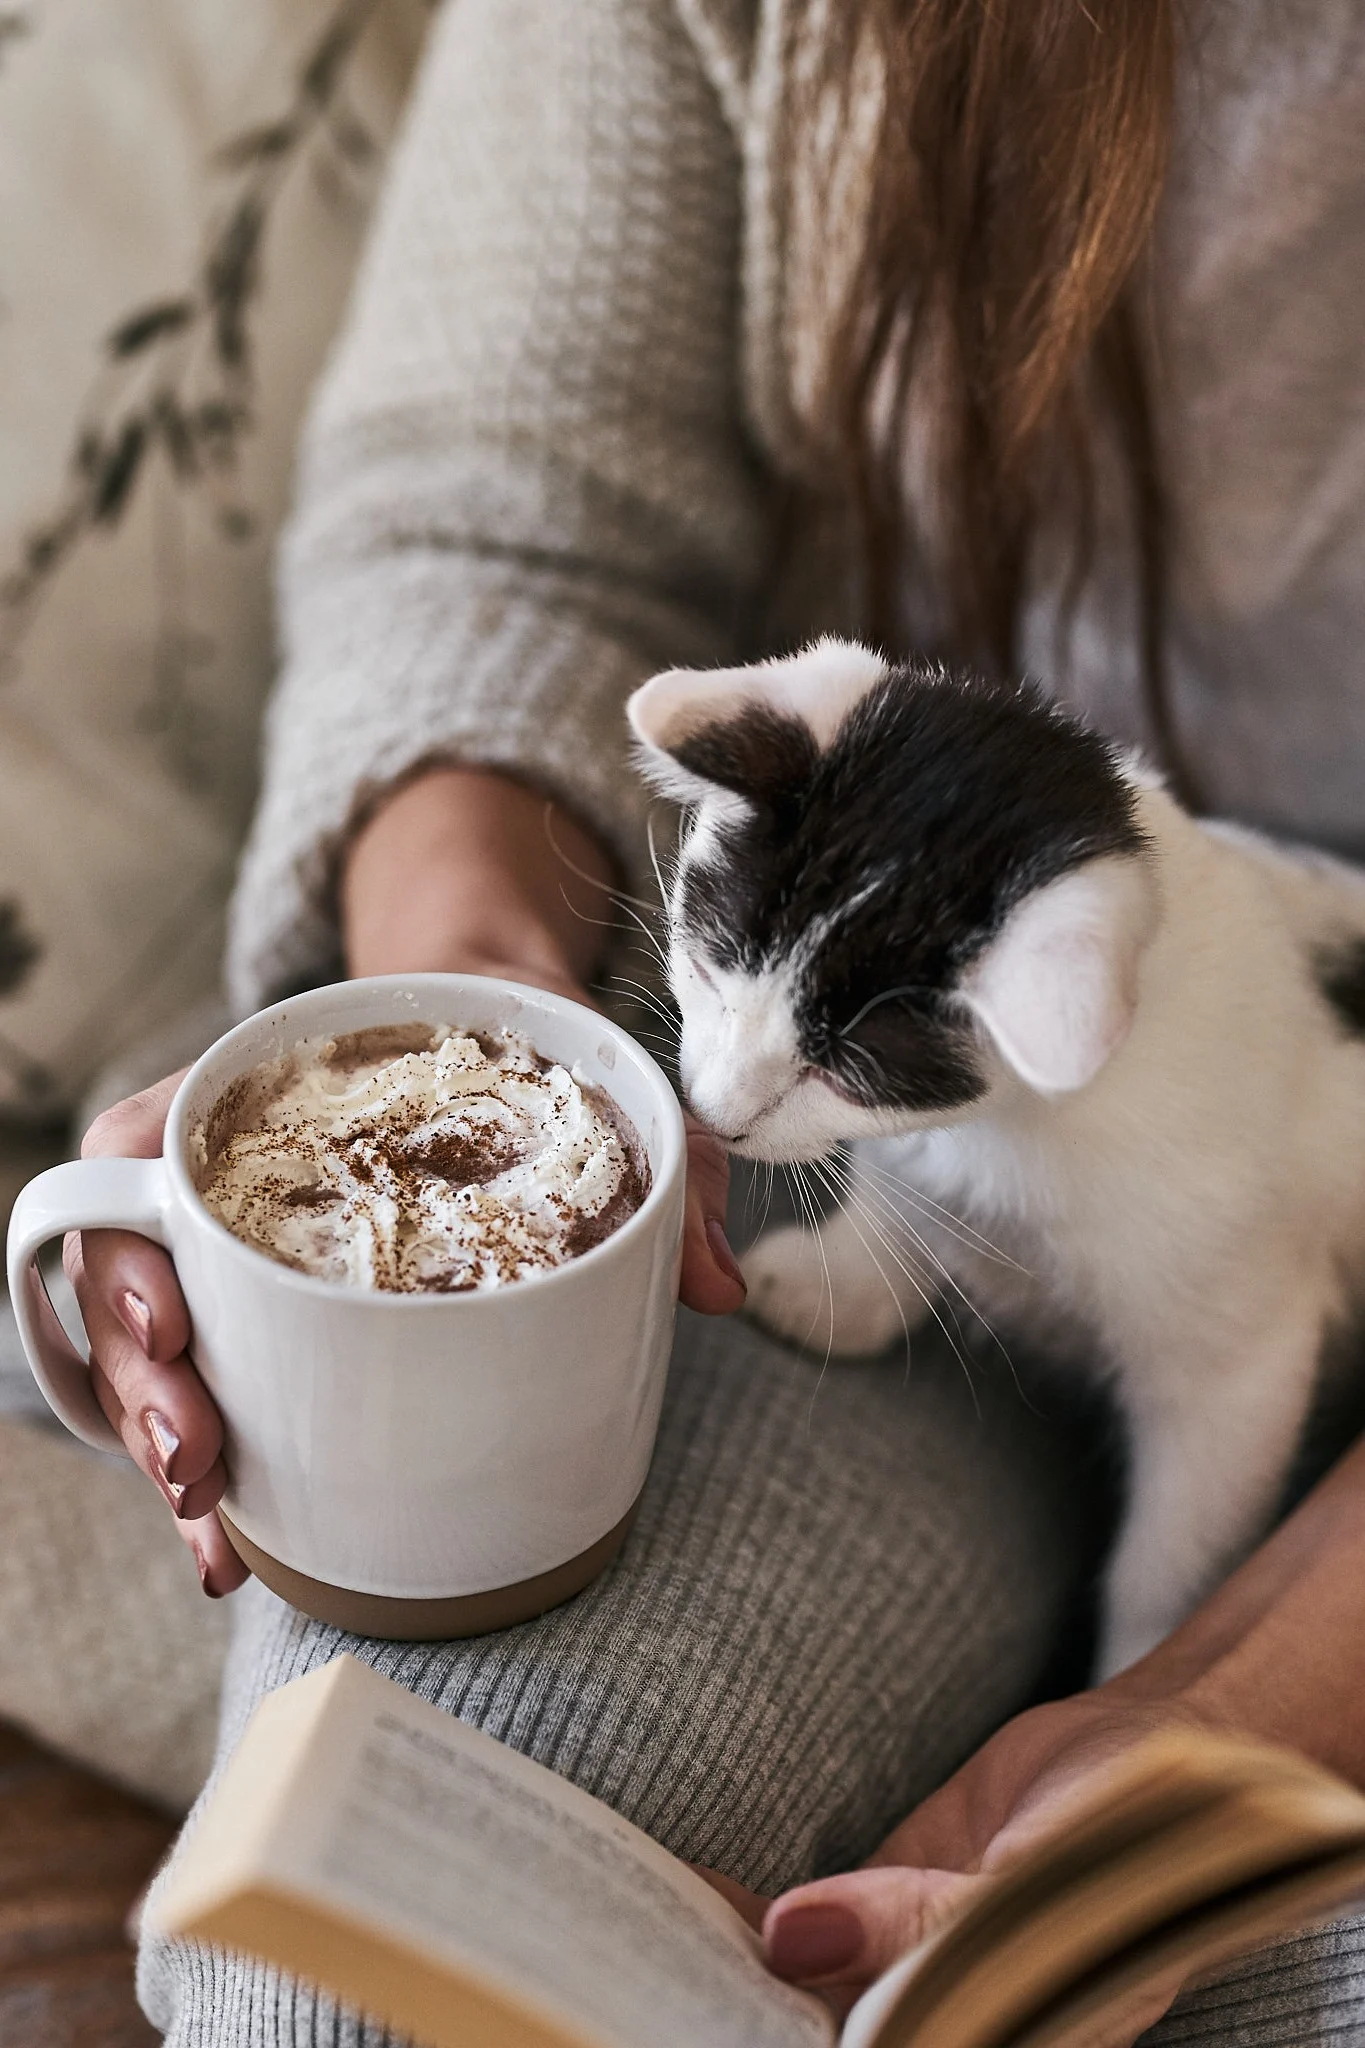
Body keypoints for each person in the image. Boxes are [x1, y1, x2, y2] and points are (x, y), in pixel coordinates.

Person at [63, 1, 1365, 2040]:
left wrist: (1215, 1714)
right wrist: (458, 1029)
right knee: (334, 1977)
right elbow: (498, 519)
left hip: (1275, 1188)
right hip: (849, 1227)